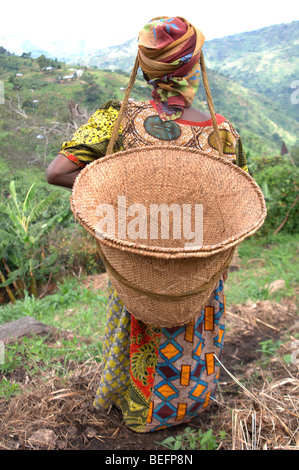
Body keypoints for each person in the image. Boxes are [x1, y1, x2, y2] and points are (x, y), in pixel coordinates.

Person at [46, 16, 248, 433]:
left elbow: (58, 172)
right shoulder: (221, 131)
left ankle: (134, 408)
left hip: (137, 249)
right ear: (195, 67)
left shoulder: (121, 119)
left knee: (139, 319)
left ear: (147, 70)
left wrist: (122, 209)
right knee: (193, 326)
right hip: (199, 254)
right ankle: (185, 409)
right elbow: (238, 197)